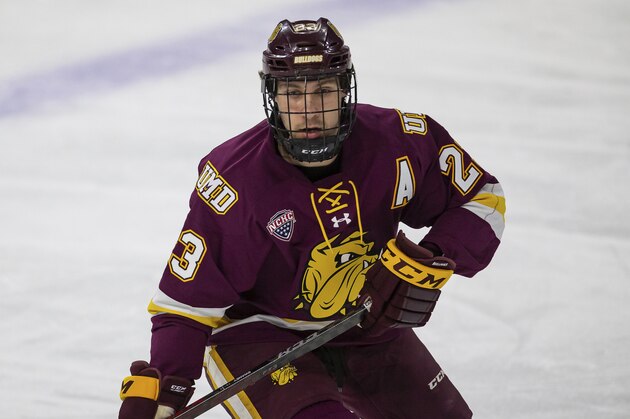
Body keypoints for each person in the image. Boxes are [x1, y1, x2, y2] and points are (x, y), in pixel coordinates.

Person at [118, 17, 505, 419]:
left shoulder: (401, 143)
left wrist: (431, 258)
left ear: (345, 91)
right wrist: (166, 384)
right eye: (293, 94)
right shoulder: (235, 182)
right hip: (258, 334)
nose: (309, 111)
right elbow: (185, 303)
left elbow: (483, 198)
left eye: (323, 91)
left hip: (364, 321)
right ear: (272, 96)